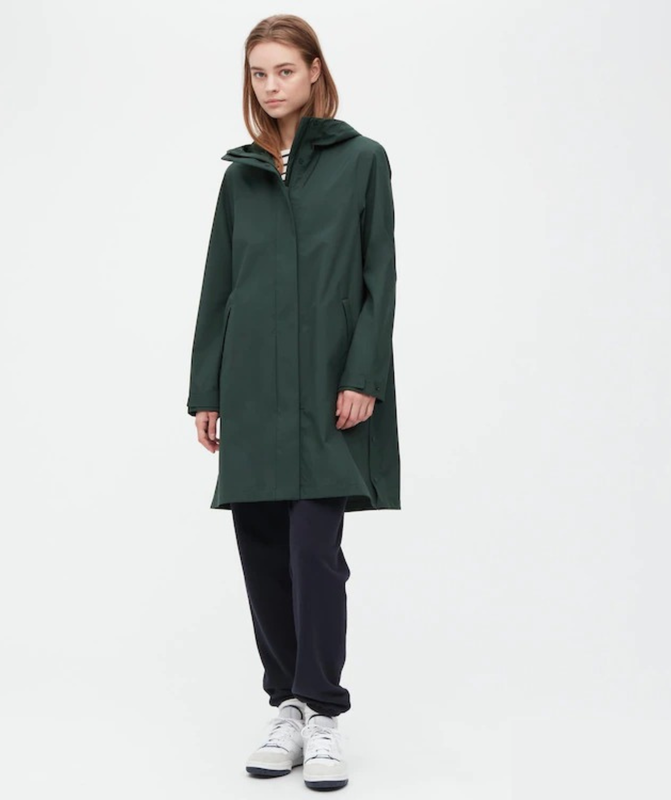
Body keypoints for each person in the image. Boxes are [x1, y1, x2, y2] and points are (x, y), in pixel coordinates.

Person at [186, 13, 401, 792]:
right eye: (258, 73)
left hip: (327, 390)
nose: (271, 86)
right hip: (250, 390)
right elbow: (219, 286)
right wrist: (206, 390)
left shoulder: (362, 160)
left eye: (284, 70)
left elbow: (380, 278)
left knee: (315, 552)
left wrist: (363, 376)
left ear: (315, 70)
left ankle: (324, 712)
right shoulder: (240, 176)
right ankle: (286, 706)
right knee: (263, 554)